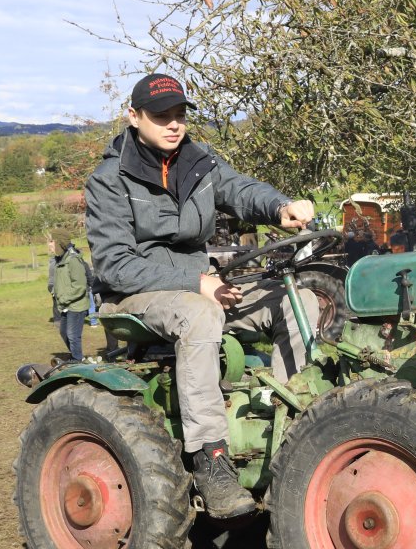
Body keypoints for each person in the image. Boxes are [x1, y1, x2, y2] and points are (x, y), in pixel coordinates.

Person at [85, 73, 316, 519]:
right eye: (161, 116)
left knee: (298, 301)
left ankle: (292, 430)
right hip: (134, 296)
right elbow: (114, 265)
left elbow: (240, 190)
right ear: (133, 117)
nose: (173, 125)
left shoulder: (197, 161)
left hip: (199, 286)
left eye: (180, 115)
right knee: (199, 314)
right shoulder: (110, 179)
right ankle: (211, 459)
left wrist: (280, 206)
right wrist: (196, 282)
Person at [48, 232, 89, 362]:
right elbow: (60, 281)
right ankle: (77, 356)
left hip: (76, 305)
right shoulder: (59, 260)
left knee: (72, 335)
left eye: (52, 241)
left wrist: (65, 298)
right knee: (63, 332)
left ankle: (77, 359)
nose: (49, 245)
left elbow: (80, 286)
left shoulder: (73, 260)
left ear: (59, 242)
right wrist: (54, 292)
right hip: (65, 304)